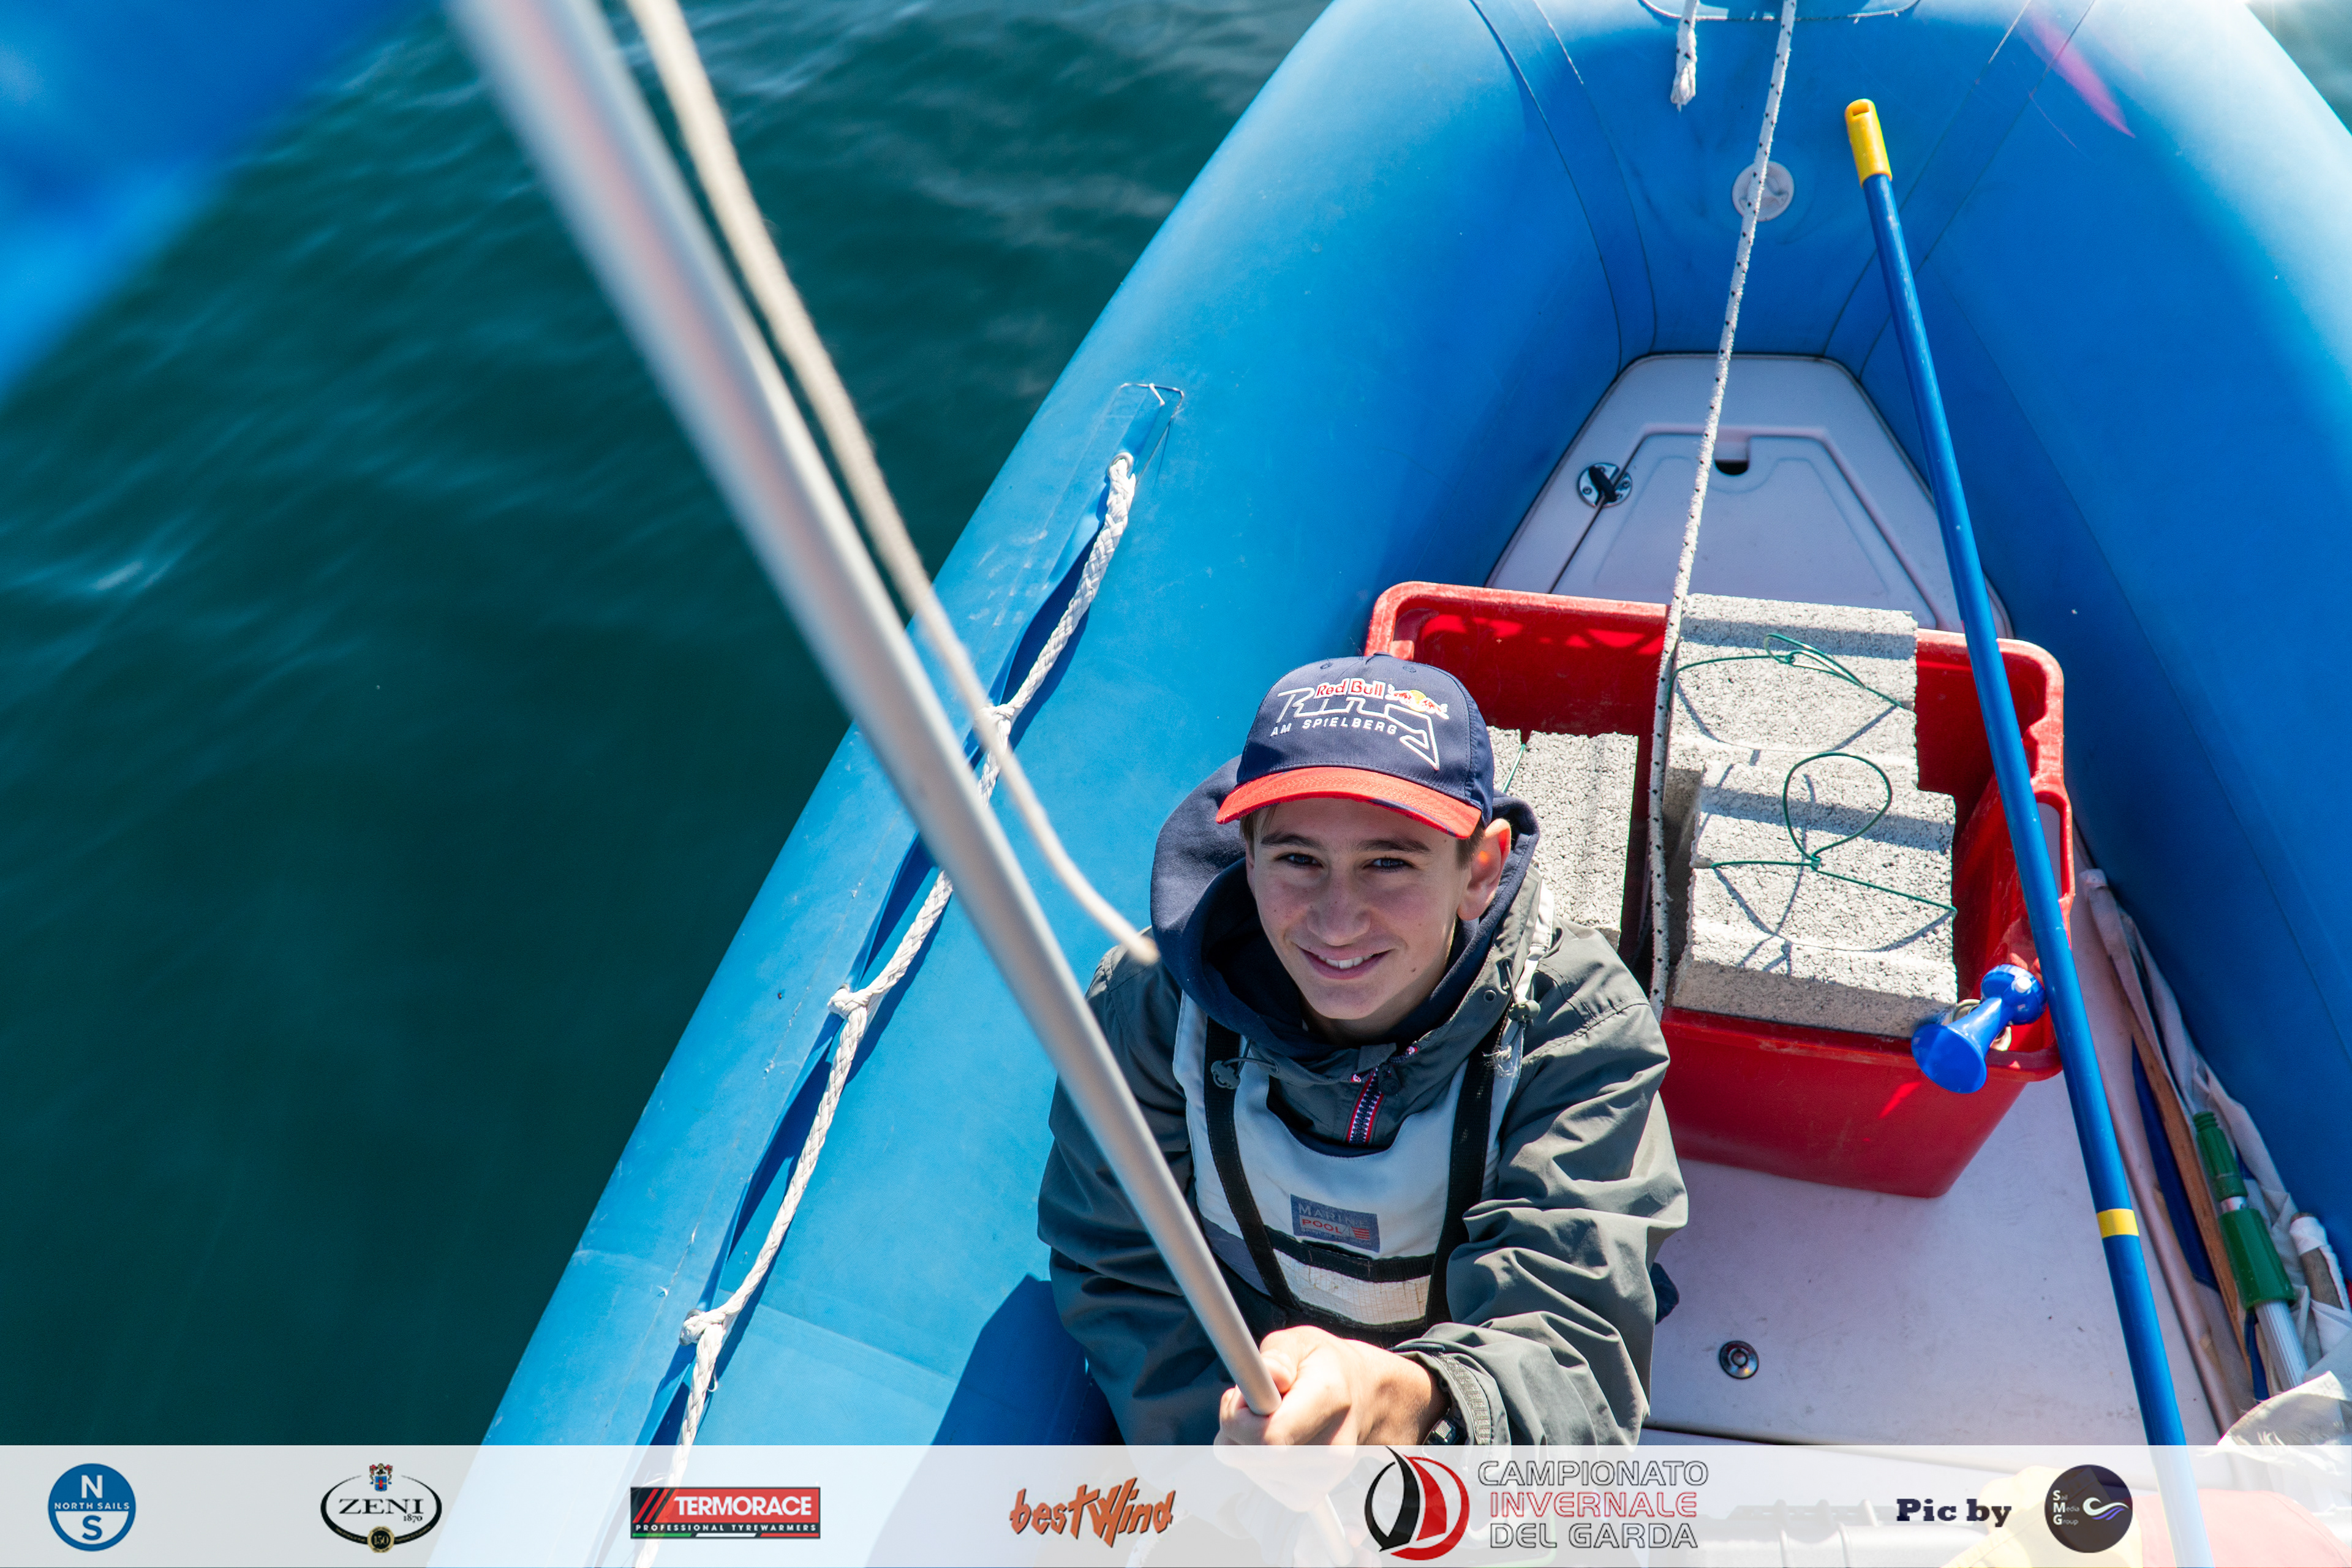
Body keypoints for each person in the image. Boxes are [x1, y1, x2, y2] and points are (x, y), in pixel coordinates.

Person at [1037, 652, 1686, 1446]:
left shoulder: (1577, 1033)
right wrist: (1226, 1467)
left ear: (1479, 870)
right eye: (1298, 860)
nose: (1337, 920)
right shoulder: (1153, 1008)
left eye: (1389, 863)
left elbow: (1570, 1351)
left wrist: (1407, 1410)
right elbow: (1119, 1266)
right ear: (1248, 855)